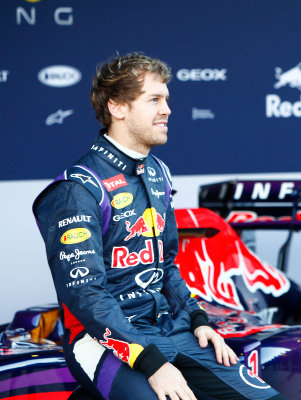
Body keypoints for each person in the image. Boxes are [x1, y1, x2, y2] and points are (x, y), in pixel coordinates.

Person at [33, 53, 284, 400]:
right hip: (100, 340)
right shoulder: (77, 189)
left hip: (168, 329)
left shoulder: (157, 173)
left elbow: (165, 266)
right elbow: (86, 295)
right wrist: (151, 361)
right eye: (154, 100)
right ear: (118, 107)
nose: (167, 110)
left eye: (166, 99)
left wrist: (198, 319)